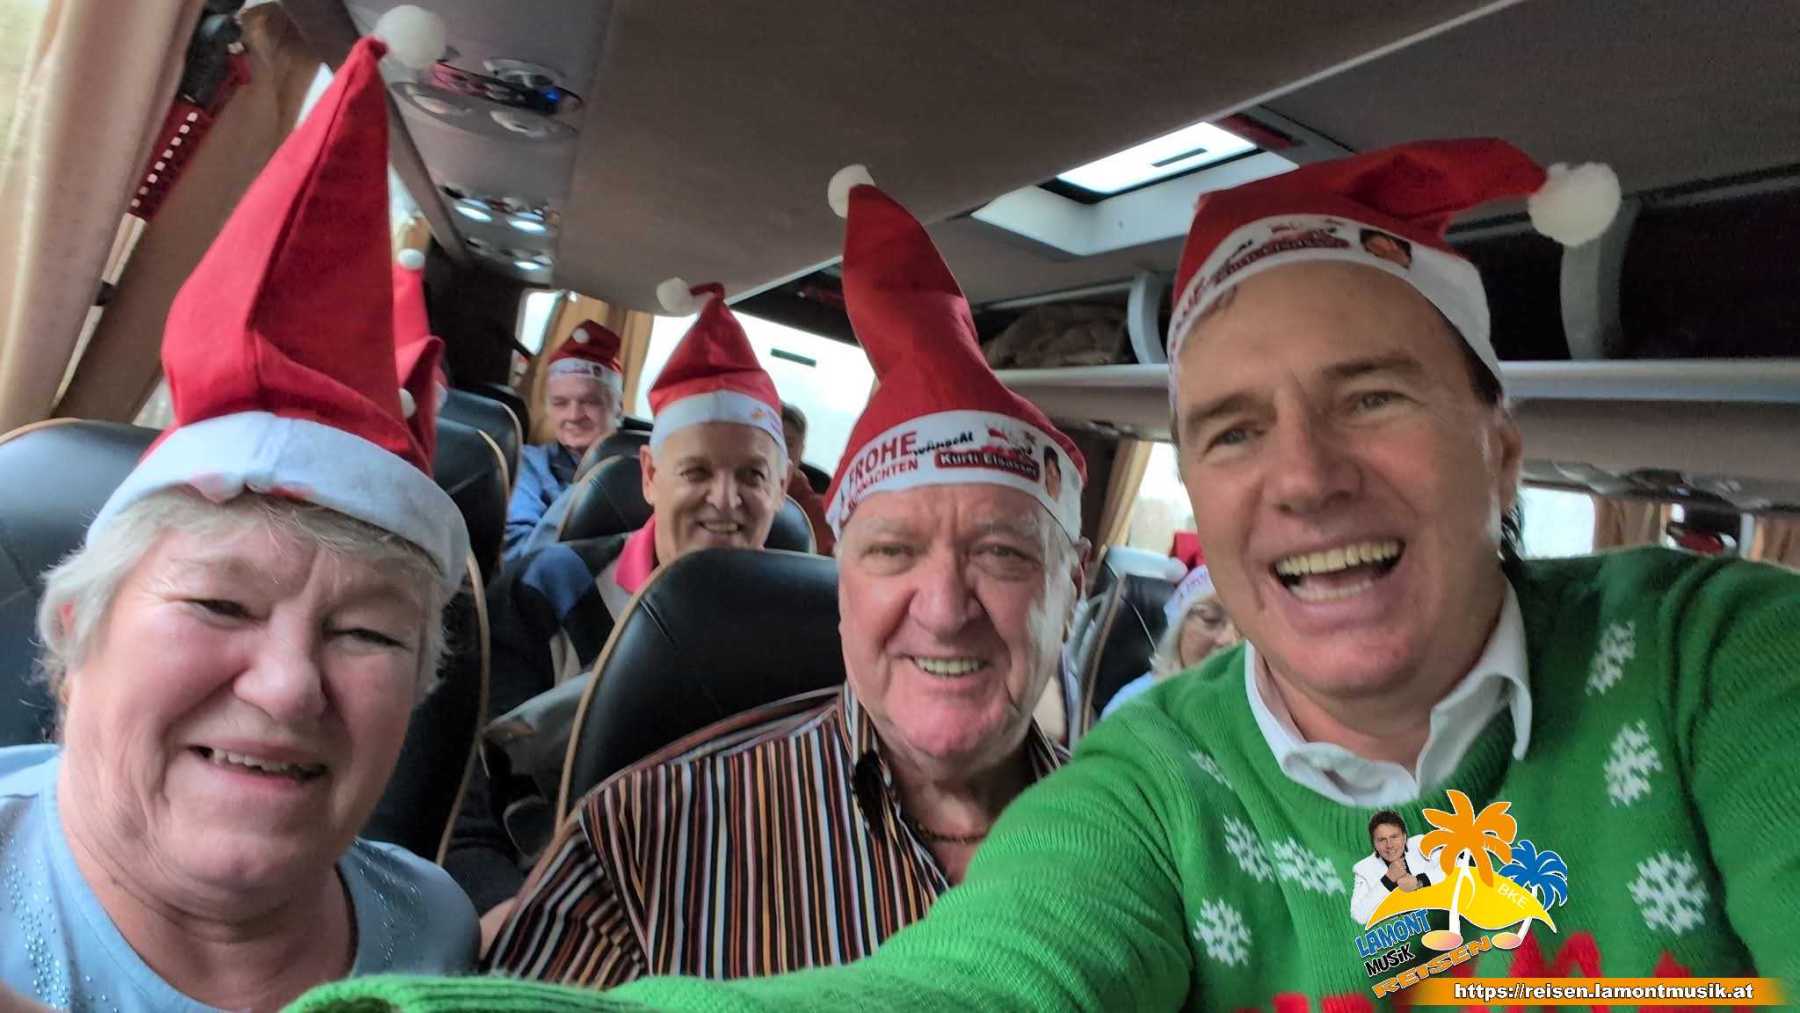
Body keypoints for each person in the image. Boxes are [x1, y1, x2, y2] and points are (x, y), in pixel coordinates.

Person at [292, 141, 1800, 1012]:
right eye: (1233, 428)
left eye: (1374, 397)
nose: (1306, 475)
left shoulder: (1718, 661)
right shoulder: (1161, 790)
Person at [480, 165, 1081, 986]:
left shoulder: (1160, 843)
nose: (944, 608)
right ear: (842, 583)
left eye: (1002, 552)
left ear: (1075, 584)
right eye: (893, 551)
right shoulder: (636, 849)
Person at [0, 10, 479, 1010]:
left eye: (367, 633)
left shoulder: (437, 933)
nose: (289, 687)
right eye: (220, 604)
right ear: (75, 635)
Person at [445, 278, 788, 926]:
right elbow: (471, 827)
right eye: (696, 471)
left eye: (751, 475)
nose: (726, 500)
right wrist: (527, 928)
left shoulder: (814, 627)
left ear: (782, 486)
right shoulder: (546, 591)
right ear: (651, 476)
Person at [503, 320, 625, 561]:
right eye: (560, 403)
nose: (573, 415)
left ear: (618, 408)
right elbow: (521, 558)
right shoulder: (530, 465)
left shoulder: (643, 470)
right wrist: (591, 485)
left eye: (589, 401)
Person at [1099, 563, 1237, 719]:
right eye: (1210, 618)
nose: (1228, 639)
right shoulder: (1133, 709)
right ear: (1179, 626)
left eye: (1243, 629)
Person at [1349, 811, 1435, 925]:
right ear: (1374, 844)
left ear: (1404, 837)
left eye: (1394, 837)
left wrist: (1419, 882)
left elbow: (1451, 868)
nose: (1389, 845)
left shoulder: (1421, 844)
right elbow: (1358, 916)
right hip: (1408, 929)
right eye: (1382, 840)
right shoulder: (1363, 869)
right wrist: (1388, 880)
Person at [782, 400, 837, 554]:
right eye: (775, 440)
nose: (781, 450)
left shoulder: (822, 510)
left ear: (802, 450)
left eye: (789, 443)